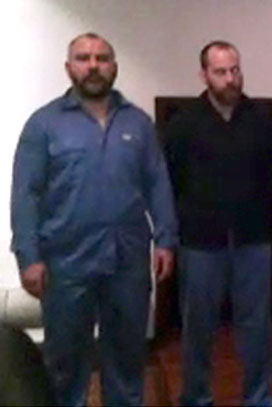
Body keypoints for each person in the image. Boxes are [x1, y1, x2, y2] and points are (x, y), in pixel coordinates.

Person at [10, 33, 177, 406]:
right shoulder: (44, 124)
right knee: (66, 358)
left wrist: (166, 239)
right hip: (66, 262)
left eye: (102, 58)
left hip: (128, 260)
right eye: (83, 58)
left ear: (114, 66)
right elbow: (25, 194)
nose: (93, 66)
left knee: (128, 354)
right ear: (69, 67)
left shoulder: (138, 122)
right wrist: (28, 256)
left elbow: (157, 183)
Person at [163, 41, 272, 407]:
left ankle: (258, 397)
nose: (231, 79)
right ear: (204, 75)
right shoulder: (184, 124)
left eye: (235, 70)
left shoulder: (262, 121)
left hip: (253, 240)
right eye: (221, 71)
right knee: (198, 328)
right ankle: (197, 397)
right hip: (200, 243)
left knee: (256, 328)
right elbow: (170, 181)